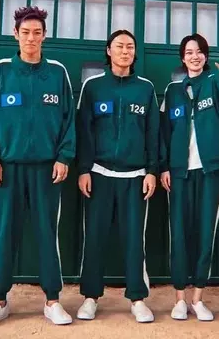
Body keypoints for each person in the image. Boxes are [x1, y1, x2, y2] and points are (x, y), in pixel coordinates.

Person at [0, 6, 75, 327]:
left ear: (45, 36)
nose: (31, 38)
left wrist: (64, 156)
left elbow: (68, 119)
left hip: (47, 169)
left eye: (37, 32)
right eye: (26, 32)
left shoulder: (57, 72)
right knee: (4, 233)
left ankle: (52, 300)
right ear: (15, 34)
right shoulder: (2, 70)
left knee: (47, 233)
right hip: (7, 169)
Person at [76, 29, 159, 323]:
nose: (125, 51)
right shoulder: (93, 87)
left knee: (134, 240)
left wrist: (152, 171)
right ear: (109, 51)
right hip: (99, 174)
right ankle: (90, 297)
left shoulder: (145, 88)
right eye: (120, 46)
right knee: (95, 238)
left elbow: (153, 133)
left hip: (135, 176)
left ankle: (137, 298)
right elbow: (83, 131)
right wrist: (83, 169)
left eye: (130, 47)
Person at [160, 33, 219, 321]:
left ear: (206, 56)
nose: (195, 56)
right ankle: (180, 298)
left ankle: (198, 298)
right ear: (182, 57)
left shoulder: (214, 82)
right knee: (179, 234)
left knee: (206, 233)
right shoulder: (173, 91)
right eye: (189, 52)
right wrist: (164, 167)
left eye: (199, 51)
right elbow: (164, 132)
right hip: (179, 172)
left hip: (210, 170)